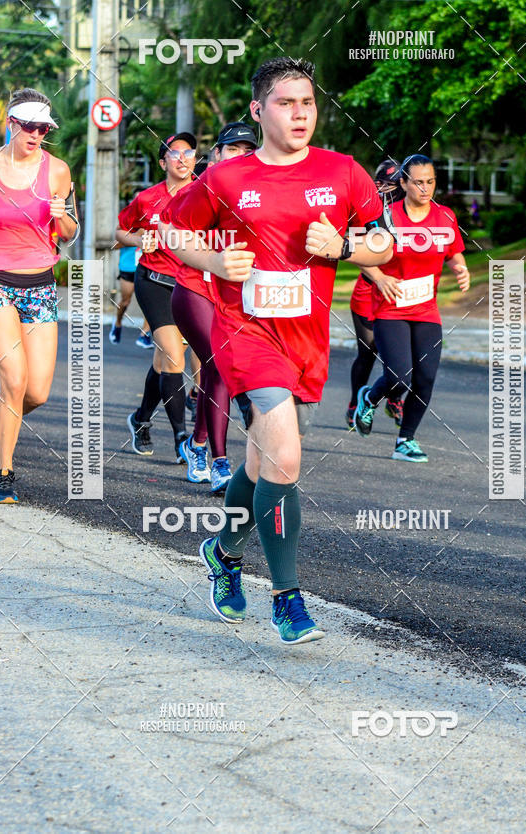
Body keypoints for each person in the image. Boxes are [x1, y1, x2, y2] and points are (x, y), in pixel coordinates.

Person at [162, 57, 392, 644]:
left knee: (265, 463)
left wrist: (344, 247)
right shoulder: (227, 179)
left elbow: (384, 245)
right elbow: (173, 232)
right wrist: (213, 261)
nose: (299, 114)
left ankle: (223, 549)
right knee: (285, 457)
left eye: (307, 103)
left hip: (307, 341)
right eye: (286, 103)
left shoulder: (343, 172)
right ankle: (288, 600)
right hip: (245, 331)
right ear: (258, 111)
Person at [354, 153, 470, 461]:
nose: (425, 188)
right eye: (418, 182)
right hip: (390, 308)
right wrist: (378, 277)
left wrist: (461, 268)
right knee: (399, 376)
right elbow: (361, 256)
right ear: (403, 183)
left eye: (430, 182)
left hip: (426, 309)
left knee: (426, 378)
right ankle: (370, 397)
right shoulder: (385, 217)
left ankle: (406, 440)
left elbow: (454, 251)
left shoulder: (445, 216)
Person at [0, 88, 78, 503]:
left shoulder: (58, 171)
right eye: (28, 126)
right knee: (13, 379)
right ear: (11, 123)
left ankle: (1, 426)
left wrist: (61, 216)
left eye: (43, 128)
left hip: (41, 283)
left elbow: (70, 234)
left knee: (36, 392)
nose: (36, 134)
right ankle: (4, 474)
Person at [171, 121, 258, 494]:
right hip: (193, 288)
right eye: (233, 149)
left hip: (234, 295)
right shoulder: (196, 191)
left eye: (247, 150)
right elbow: (173, 234)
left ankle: (197, 444)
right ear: (217, 154)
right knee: (219, 362)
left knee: (216, 370)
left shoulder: (256, 194)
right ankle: (220, 463)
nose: (240, 156)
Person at [115, 133, 197, 462]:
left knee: (162, 361)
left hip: (191, 285)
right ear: (163, 163)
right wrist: (139, 240)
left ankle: (140, 419)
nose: (182, 158)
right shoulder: (148, 198)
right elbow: (119, 231)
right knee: (174, 358)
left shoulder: (205, 194)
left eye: (188, 152)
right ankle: (182, 440)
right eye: (174, 154)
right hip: (154, 282)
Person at [346, 159, 404, 430]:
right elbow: (355, 252)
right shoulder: (369, 212)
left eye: (389, 184)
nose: (381, 189)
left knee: (404, 354)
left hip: (403, 295)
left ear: (403, 185)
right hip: (369, 291)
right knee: (368, 351)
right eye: (377, 183)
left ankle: (394, 395)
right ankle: (355, 403)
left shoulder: (414, 212)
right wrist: (378, 276)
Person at [108, 241, 153, 346]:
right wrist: (136, 240)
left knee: (149, 302)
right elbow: (114, 245)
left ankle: (144, 334)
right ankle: (118, 323)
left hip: (147, 267)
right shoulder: (127, 227)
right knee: (125, 301)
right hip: (128, 267)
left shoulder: (153, 224)